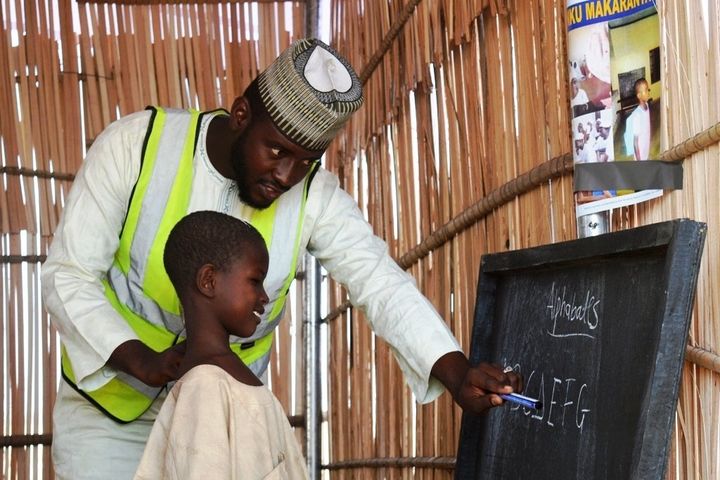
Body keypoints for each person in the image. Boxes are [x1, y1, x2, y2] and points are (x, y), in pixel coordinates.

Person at [42, 37, 522, 479]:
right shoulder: (137, 146)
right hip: (111, 417)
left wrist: (456, 372)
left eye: (306, 161)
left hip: (225, 428)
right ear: (241, 114)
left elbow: (379, 281)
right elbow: (69, 274)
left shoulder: (317, 197)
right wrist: (141, 361)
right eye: (276, 150)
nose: (287, 176)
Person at [133, 211, 308, 479]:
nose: (264, 296)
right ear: (209, 281)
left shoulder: (219, 379)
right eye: (255, 281)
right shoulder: (204, 387)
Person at [624, 77, 651, 160]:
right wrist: (639, 162)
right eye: (645, 90)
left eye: (648, 89)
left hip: (646, 150)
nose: (648, 92)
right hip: (640, 156)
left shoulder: (647, 105)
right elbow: (635, 143)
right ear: (639, 95)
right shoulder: (637, 116)